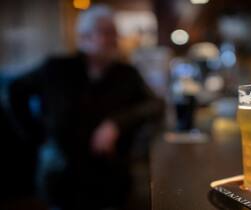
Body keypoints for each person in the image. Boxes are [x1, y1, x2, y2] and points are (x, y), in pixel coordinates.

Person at [9, 4, 164, 210]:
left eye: (114, 32)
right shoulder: (56, 68)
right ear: (83, 38)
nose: (113, 38)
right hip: (63, 178)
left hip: (110, 178)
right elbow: (14, 90)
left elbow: (156, 104)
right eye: (105, 32)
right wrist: (36, 135)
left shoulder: (126, 73)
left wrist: (116, 123)